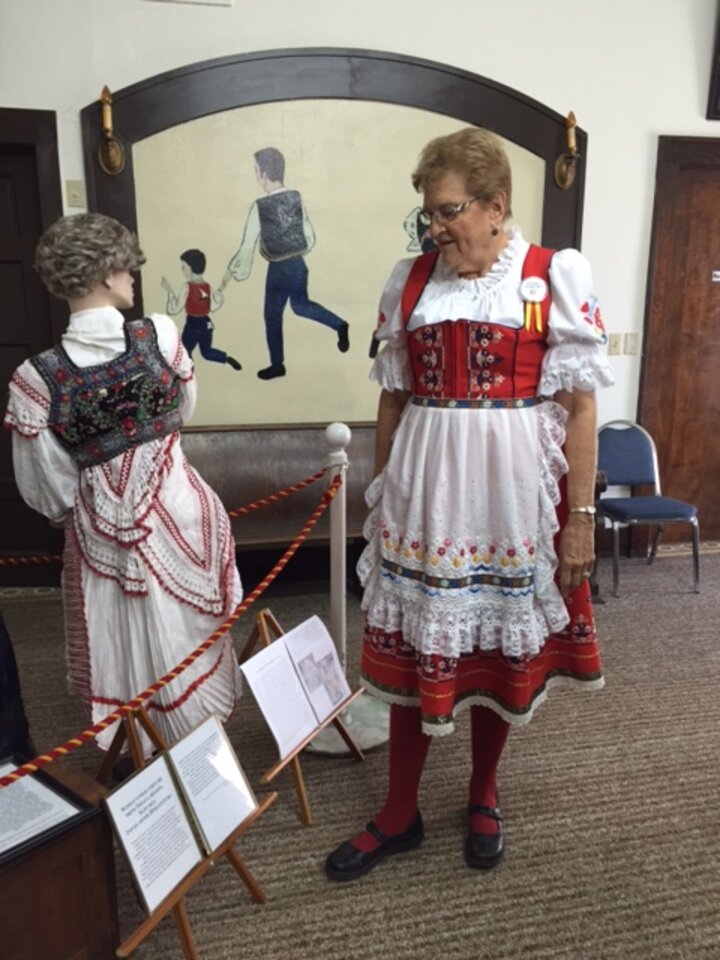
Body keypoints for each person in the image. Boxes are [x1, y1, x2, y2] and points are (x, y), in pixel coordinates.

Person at [325, 127, 613, 881]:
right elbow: (393, 398)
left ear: (496, 206)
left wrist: (579, 518)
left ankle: (483, 792)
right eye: (429, 213)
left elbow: (581, 409)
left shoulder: (554, 273)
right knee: (412, 642)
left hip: (512, 493)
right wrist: (382, 493)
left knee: (492, 650)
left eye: (449, 211)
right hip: (425, 491)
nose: (436, 227)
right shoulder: (410, 279)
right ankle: (398, 813)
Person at [4, 214, 243, 759]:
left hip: (102, 536)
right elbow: (184, 409)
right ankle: (197, 744)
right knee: (187, 632)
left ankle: (141, 749)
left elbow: (48, 489)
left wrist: (99, 490)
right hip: (180, 509)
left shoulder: (35, 379)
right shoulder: (159, 335)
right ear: (107, 271)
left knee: (122, 639)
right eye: (126, 266)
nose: (133, 276)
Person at [221, 147, 350, 380]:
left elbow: (246, 248)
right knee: (301, 305)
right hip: (299, 264)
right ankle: (339, 324)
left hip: (278, 269)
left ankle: (277, 365)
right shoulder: (296, 197)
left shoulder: (259, 206)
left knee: (272, 315)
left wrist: (233, 276)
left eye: (256, 170)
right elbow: (309, 235)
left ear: (262, 173)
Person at [161, 248, 242, 371]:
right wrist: (221, 289)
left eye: (184, 267)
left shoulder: (187, 287)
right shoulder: (207, 286)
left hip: (192, 325)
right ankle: (226, 358)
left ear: (191, 268)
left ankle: (189, 375)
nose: (182, 270)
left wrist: (169, 291)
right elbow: (213, 306)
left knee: (185, 352)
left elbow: (174, 309)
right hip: (206, 324)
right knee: (206, 352)